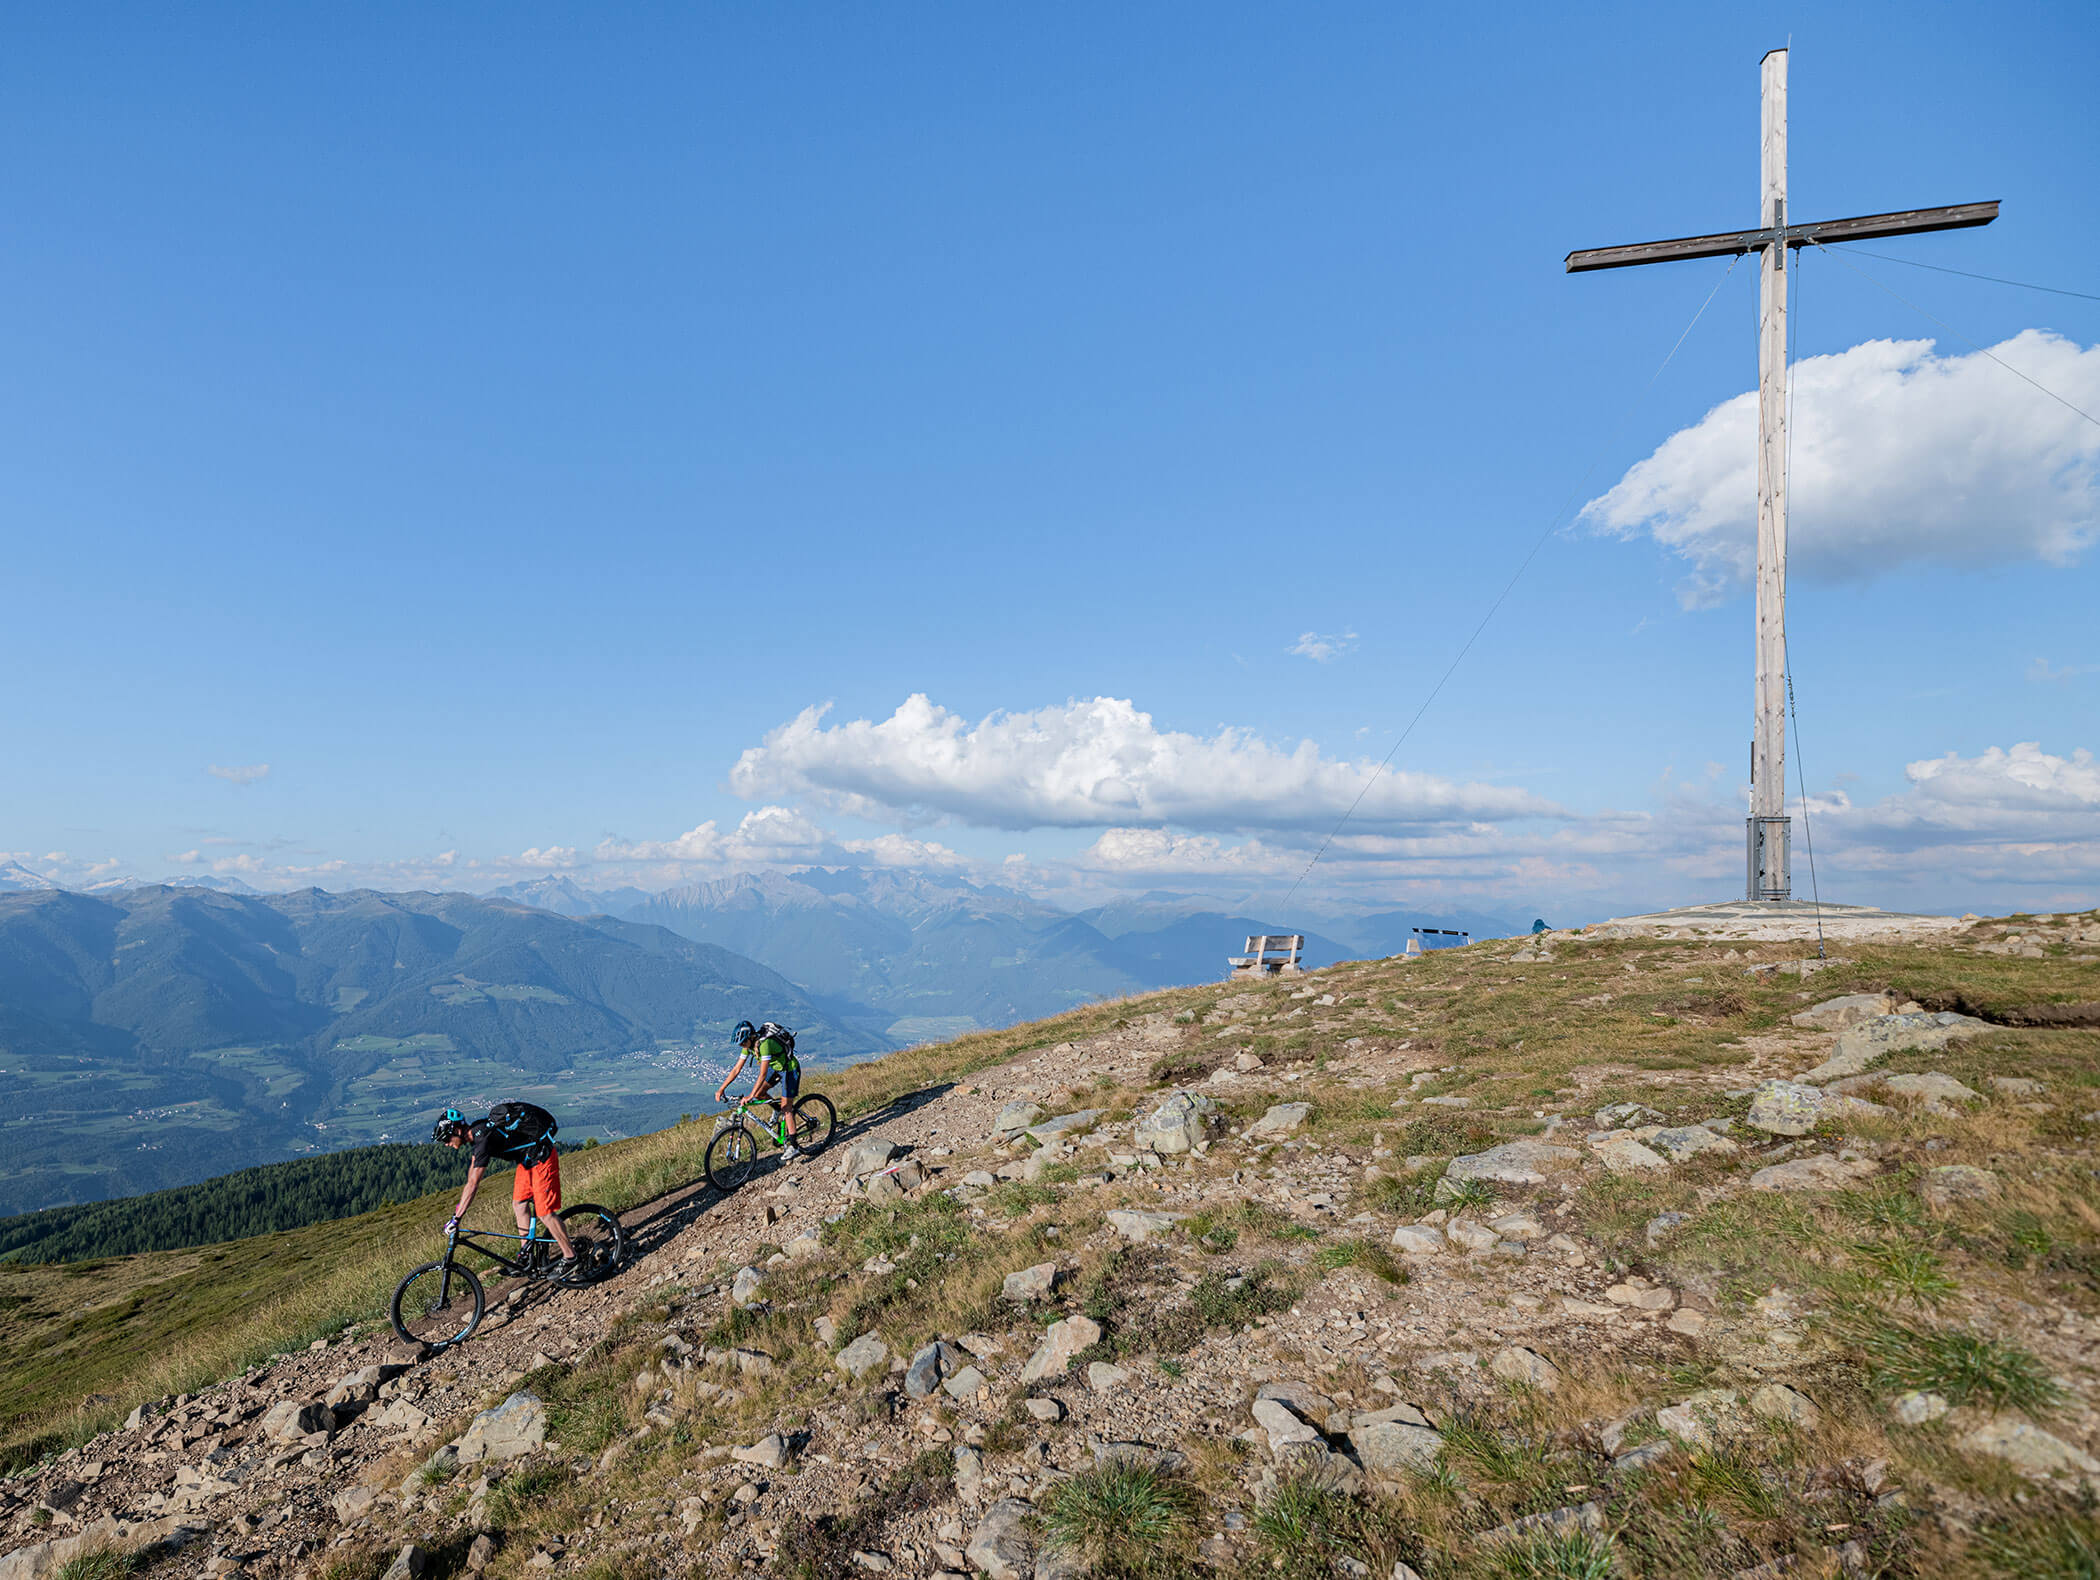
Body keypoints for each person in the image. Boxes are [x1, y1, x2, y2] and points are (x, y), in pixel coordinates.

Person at [432, 1103, 580, 1282]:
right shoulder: (478, 1134)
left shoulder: (482, 1137)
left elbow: (474, 1183)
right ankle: (526, 1257)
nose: (447, 1144)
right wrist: (457, 1211)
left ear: (456, 1130)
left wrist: (457, 1219)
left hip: (541, 1158)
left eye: (447, 1139)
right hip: (526, 1162)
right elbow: (471, 1174)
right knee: (519, 1203)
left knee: (545, 1213)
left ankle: (571, 1257)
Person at [715, 1020, 803, 1161]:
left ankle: (794, 1146)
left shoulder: (764, 1045)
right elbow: (736, 1069)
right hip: (776, 1068)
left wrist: (751, 1095)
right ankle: (777, 1109)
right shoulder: (748, 1046)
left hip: (789, 1069)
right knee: (761, 1094)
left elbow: (762, 1074)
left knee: (787, 1108)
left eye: (743, 1042)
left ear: (751, 1037)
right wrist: (721, 1089)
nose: (742, 1045)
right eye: (740, 1044)